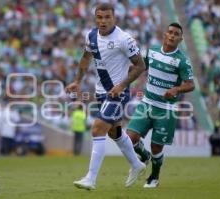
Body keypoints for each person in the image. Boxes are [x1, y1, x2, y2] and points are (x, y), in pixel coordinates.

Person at [66, 3, 146, 190]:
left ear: (114, 18)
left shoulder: (124, 39)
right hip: (102, 92)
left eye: (107, 17)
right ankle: (137, 164)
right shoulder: (91, 36)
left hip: (118, 93)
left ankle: (90, 179)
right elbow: (86, 58)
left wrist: (122, 85)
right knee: (114, 132)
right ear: (95, 18)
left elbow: (140, 65)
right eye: (99, 17)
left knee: (97, 129)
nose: (103, 21)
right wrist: (77, 81)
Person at [127, 23, 195, 188]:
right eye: (170, 32)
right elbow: (141, 67)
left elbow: (191, 84)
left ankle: (154, 178)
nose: (172, 35)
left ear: (180, 39)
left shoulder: (183, 61)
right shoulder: (153, 51)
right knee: (130, 138)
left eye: (176, 34)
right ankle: (144, 156)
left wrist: (177, 89)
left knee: (157, 146)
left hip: (166, 109)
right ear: (165, 34)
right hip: (147, 103)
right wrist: (130, 70)